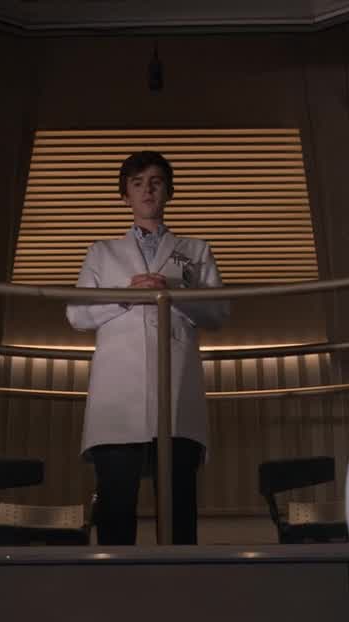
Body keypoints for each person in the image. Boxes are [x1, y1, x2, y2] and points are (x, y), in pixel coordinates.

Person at [66, 150, 228, 545]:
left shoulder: (196, 249)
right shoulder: (101, 252)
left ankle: (180, 581)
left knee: (179, 508)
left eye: (155, 182)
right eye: (137, 184)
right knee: (115, 506)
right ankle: (114, 581)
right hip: (118, 392)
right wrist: (125, 297)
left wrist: (173, 293)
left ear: (169, 190)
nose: (147, 190)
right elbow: (77, 314)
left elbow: (218, 312)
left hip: (176, 389)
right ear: (125, 195)